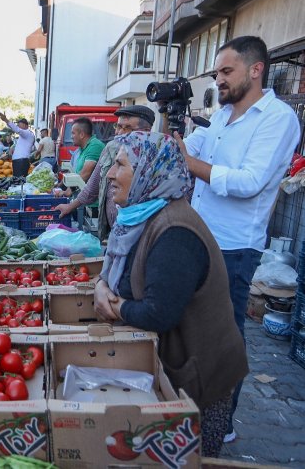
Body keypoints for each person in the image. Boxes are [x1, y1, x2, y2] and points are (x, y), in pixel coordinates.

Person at [174, 35, 301, 443]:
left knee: (225, 336)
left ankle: (221, 425)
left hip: (235, 246)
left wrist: (190, 163)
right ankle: (192, 408)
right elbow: (191, 148)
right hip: (201, 232)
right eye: (217, 73)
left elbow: (248, 182)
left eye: (227, 72)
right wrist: (171, 141)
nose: (220, 80)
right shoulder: (222, 117)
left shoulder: (277, 119)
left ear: (256, 69)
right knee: (192, 328)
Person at [94, 130, 248, 458]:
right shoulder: (139, 215)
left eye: (120, 165)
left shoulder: (174, 231)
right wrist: (100, 287)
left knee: (188, 460)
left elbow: (158, 313)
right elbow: (111, 273)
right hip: (170, 364)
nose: (109, 173)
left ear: (150, 170)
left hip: (200, 379)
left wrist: (115, 306)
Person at [54, 105, 154, 240]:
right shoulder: (111, 148)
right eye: (118, 126)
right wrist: (70, 206)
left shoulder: (155, 157)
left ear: (146, 131)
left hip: (142, 234)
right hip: (114, 231)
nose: (119, 132)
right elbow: (93, 186)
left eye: (127, 128)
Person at [71, 117, 105, 184]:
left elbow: (85, 174)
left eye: (73, 133)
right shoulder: (81, 149)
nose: (71, 136)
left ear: (82, 135)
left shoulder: (95, 146)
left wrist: (69, 191)